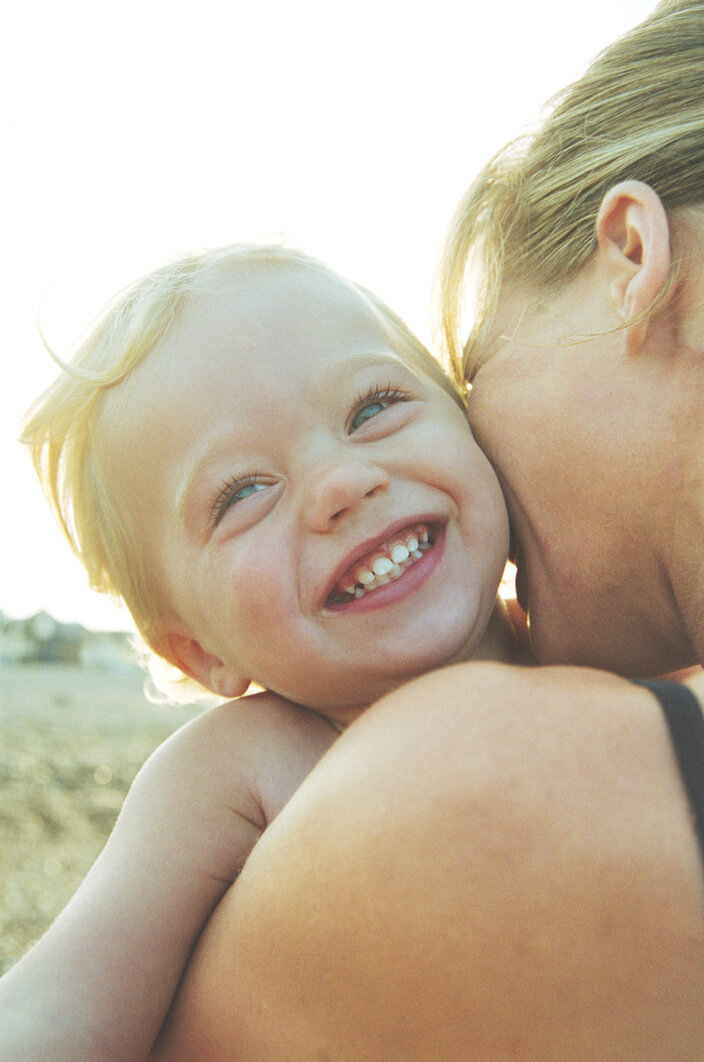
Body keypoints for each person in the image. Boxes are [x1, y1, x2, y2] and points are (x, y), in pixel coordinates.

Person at [146, 2, 704, 1058]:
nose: (352, 487)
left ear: (632, 256)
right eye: (241, 493)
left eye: (473, 370)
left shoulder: (490, 780)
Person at [0, 244, 522, 1060]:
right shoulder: (243, 770)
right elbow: (56, 1010)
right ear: (196, 649)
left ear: (474, 420)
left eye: (373, 407)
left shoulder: (601, 658)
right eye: (243, 492)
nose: (340, 483)